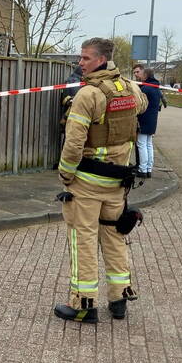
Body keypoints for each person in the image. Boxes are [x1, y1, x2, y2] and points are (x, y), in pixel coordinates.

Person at [54, 38, 147, 323]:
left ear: (101, 60)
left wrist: (65, 174)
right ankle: (119, 300)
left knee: (83, 240)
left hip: (87, 183)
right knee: (116, 237)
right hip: (118, 184)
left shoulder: (88, 95)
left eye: (85, 58)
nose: (80, 63)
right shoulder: (131, 88)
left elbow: (73, 143)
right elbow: (141, 107)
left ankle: (84, 305)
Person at [132, 64, 162, 178]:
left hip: (143, 120)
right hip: (152, 120)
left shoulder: (146, 88)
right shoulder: (155, 87)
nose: (140, 76)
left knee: (141, 144)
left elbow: (140, 104)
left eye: (142, 74)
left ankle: (142, 169)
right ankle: (149, 168)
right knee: (149, 144)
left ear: (146, 75)